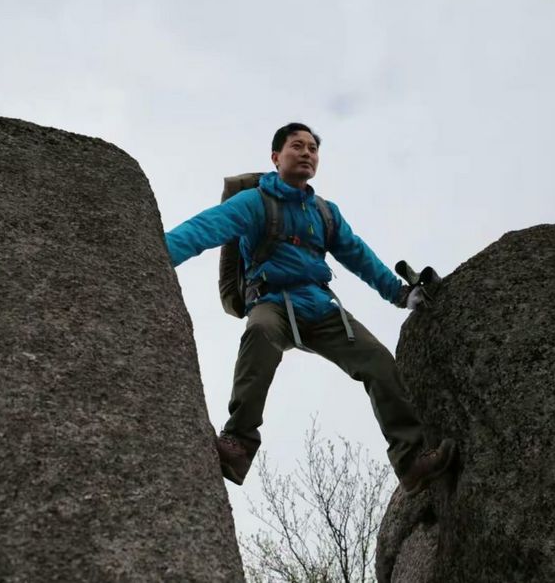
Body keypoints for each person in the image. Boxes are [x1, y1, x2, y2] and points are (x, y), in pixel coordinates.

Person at [164, 122, 454, 494]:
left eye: (312, 149)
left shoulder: (325, 213)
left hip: (320, 307)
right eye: (296, 146)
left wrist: (399, 294)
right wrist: (156, 253)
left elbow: (359, 256)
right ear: (275, 157)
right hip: (272, 302)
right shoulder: (255, 202)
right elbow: (205, 227)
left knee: (378, 361)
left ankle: (411, 460)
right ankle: (238, 443)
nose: (306, 153)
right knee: (260, 333)